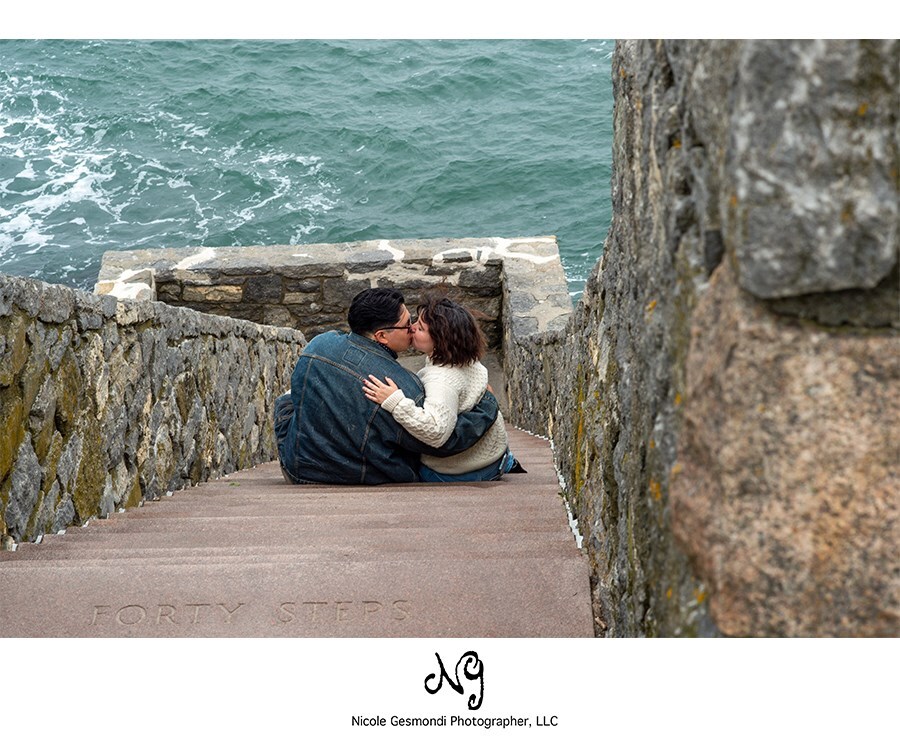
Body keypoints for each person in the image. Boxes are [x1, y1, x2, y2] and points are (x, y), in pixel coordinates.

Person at [274, 288, 500, 484]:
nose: (412, 329)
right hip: (362, 476)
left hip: (298, 469)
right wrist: (488, 405)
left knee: (289, 398)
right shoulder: (402, 386)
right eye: (407, 325)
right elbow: (440, 442)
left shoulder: (319, 344)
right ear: (382, 336)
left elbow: (291, 400)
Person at [362, 295, 523, 482]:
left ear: (440, 341)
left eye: (420, 328)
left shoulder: (441, 379)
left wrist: (394, 401)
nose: (412, 328)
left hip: (467, 470)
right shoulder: (463, 356)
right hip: (494, 454)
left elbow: (436, 432)